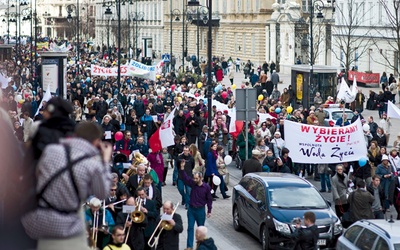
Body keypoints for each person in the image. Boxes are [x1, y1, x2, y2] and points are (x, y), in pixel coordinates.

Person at [21, 122, 113, 250]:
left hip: (38, 219)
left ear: (75, 135)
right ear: (97, 142)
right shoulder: (93, 165)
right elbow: (102, 193)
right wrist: (105, 161)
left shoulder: (51, 150)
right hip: (66, 227)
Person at [178, 161, 213, 250]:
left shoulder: (206, 187)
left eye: (196, 178)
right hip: (191, 209)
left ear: (201, 178)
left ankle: (201, 246)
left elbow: (209, 199)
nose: (194, 180)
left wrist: (209, 210)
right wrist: (182, 169)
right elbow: (186, 178)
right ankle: (189, 246)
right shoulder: (193, 183)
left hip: (200, 210)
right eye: (194, 178)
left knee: (201, 230)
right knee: (190, 228)